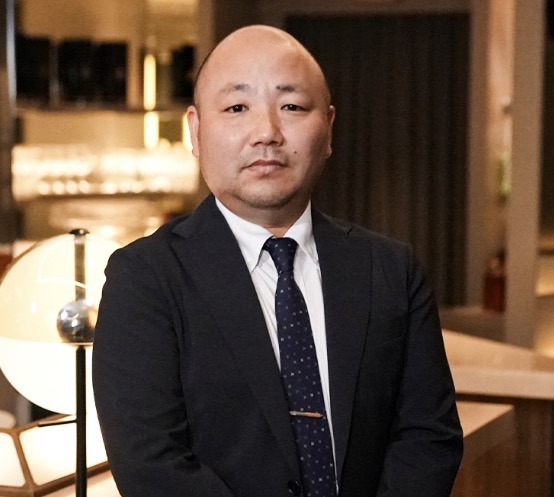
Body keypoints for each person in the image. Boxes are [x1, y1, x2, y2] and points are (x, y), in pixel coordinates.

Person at [92, 24, 463, 497]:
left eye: (292, 107)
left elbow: (429, 439)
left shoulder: (391, 270)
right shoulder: (145, 278)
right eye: (236, 108)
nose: (266, 132)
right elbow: (150, 464)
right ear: (195, 130)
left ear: (329, 127)